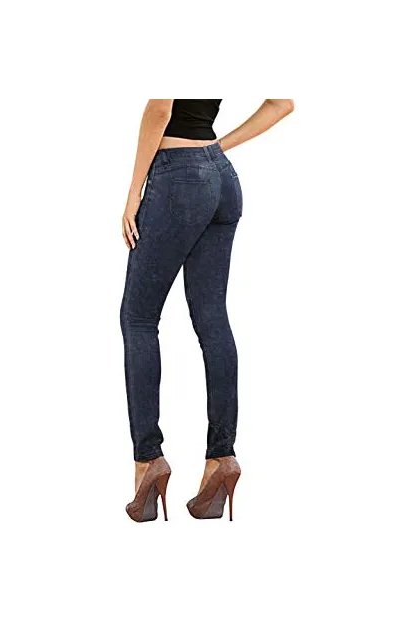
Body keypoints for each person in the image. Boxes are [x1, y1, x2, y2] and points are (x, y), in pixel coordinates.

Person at [121, 96, 294, 522]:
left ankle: (148, 460)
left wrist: (134, 191)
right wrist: (217, 149)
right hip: (221, 180)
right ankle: (221, 458)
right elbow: (282, 103)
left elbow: (160, 109)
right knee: (213, 318)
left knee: (139, 318)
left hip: (177, 177)